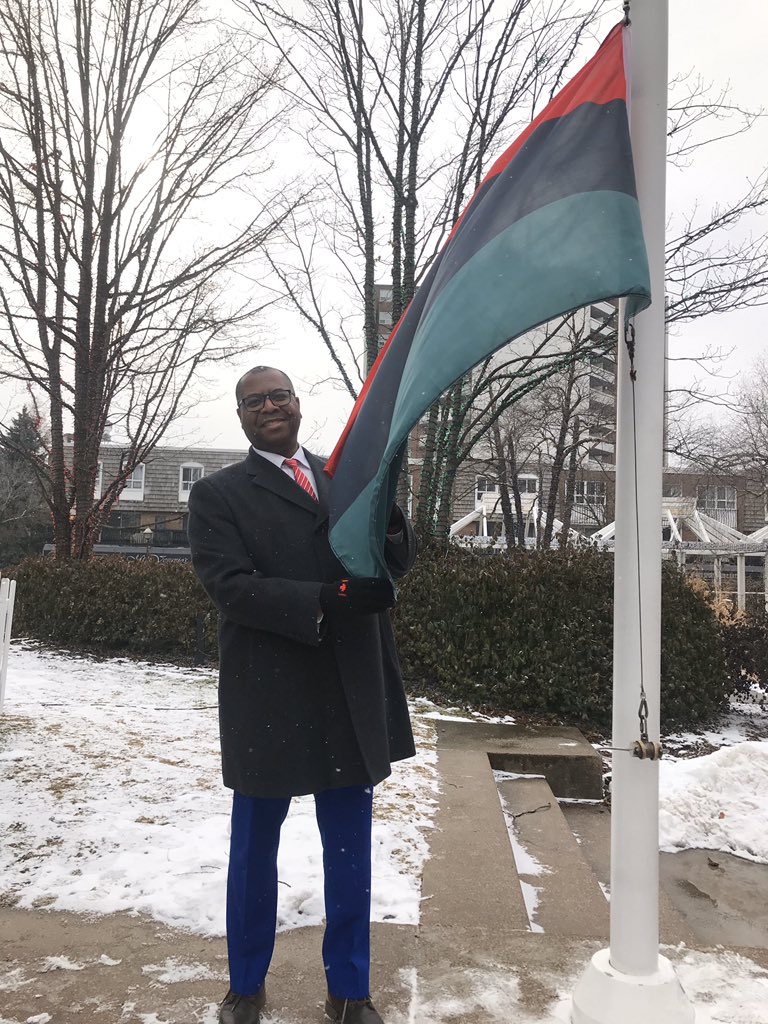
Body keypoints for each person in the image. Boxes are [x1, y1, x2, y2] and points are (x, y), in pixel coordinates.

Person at [187, 366, 417, 1024]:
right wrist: (325, 598)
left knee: (349, 853)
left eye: (279, 395)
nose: (270, 406)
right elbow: (231, 587)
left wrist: (389, 516)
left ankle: (350, 991)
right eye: (254, 400)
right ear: (241, 415)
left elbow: (394, 559)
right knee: (254, 851)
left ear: (297, 403)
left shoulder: (345, 477)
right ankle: (245, 986)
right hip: (269, 695)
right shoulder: (217, 494)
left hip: (348, 687)